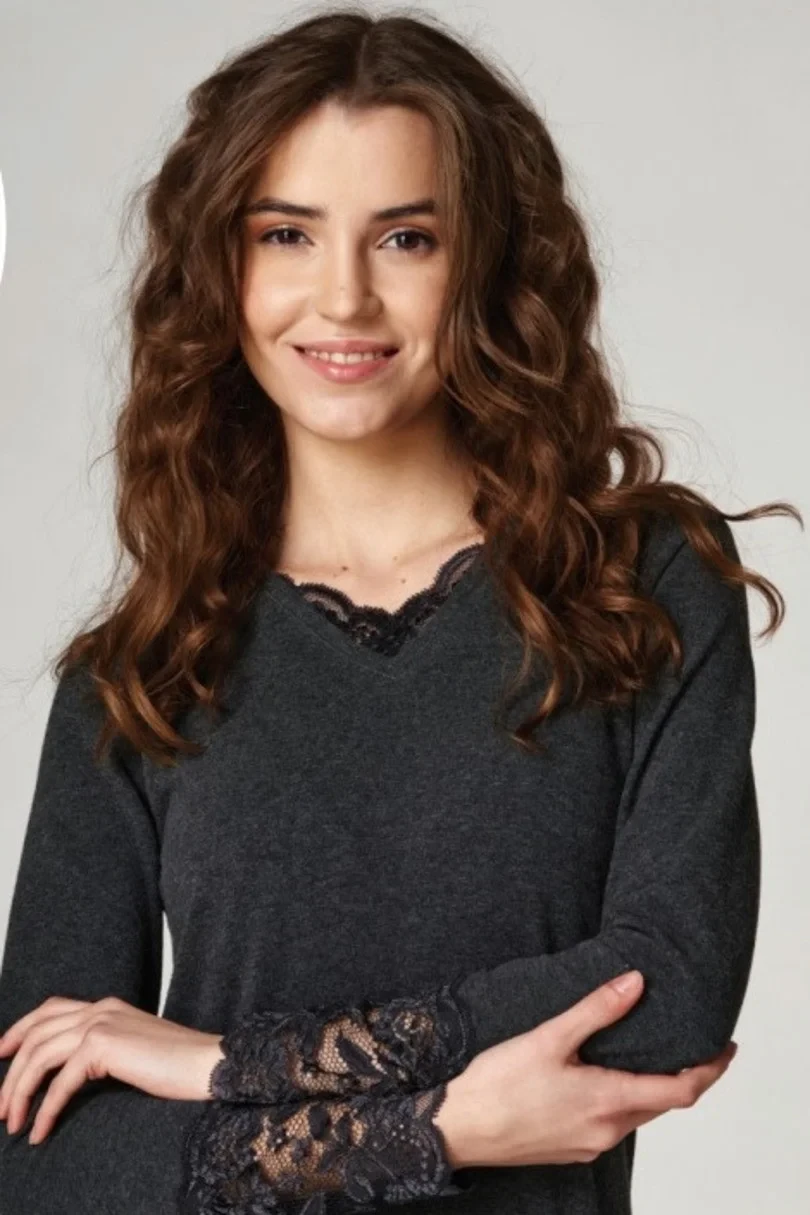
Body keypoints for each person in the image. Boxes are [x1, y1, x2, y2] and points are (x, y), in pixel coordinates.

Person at [0, 6, 801, 1213]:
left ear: (484, 265)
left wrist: (219, 1064)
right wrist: (434, 1132)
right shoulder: (143, 671)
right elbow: (32, 1154)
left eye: (406, 239)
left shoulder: (637, 583)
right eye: (286, 234)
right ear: (222, 270)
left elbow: (669, 997)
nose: (344, 298)